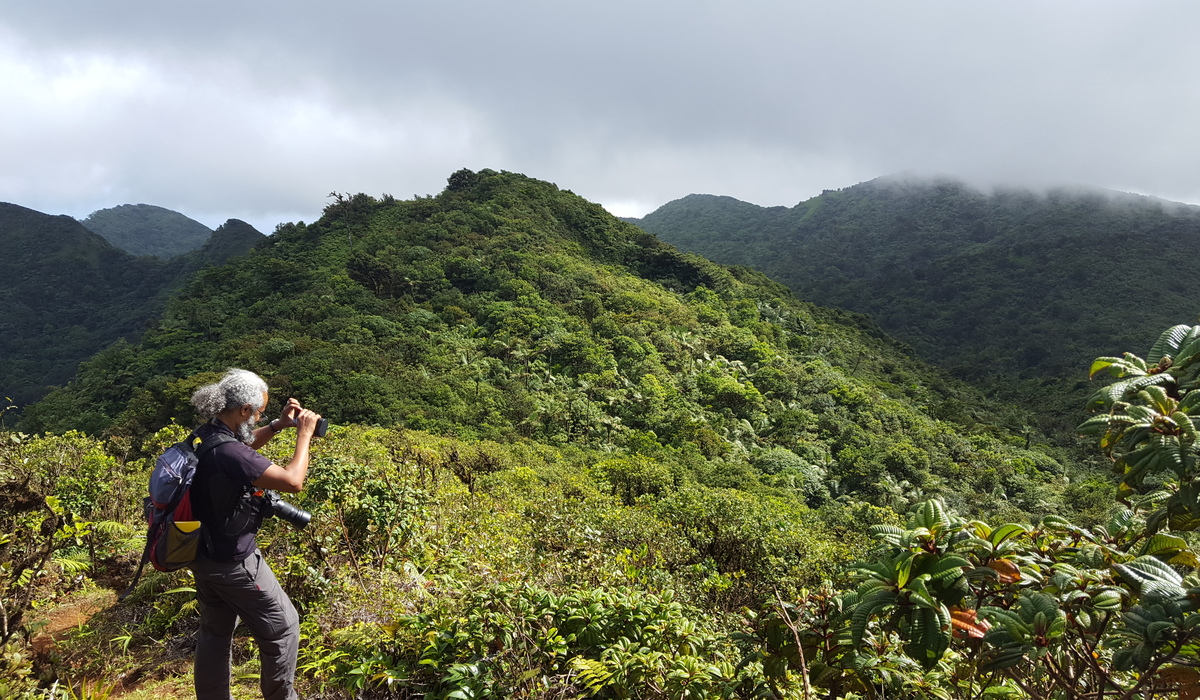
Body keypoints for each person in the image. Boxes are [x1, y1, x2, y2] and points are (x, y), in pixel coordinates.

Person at [187, 368, 322, 700]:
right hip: (235, 561)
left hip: (203, 554)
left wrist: (278, 425)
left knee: (215, 633)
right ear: (244, 410)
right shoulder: (229, 452)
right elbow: (293, 481)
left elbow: (241, 446)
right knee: (283, 627)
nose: (259, 416)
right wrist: (303, 434)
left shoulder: (206, 435)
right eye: (259, 412)